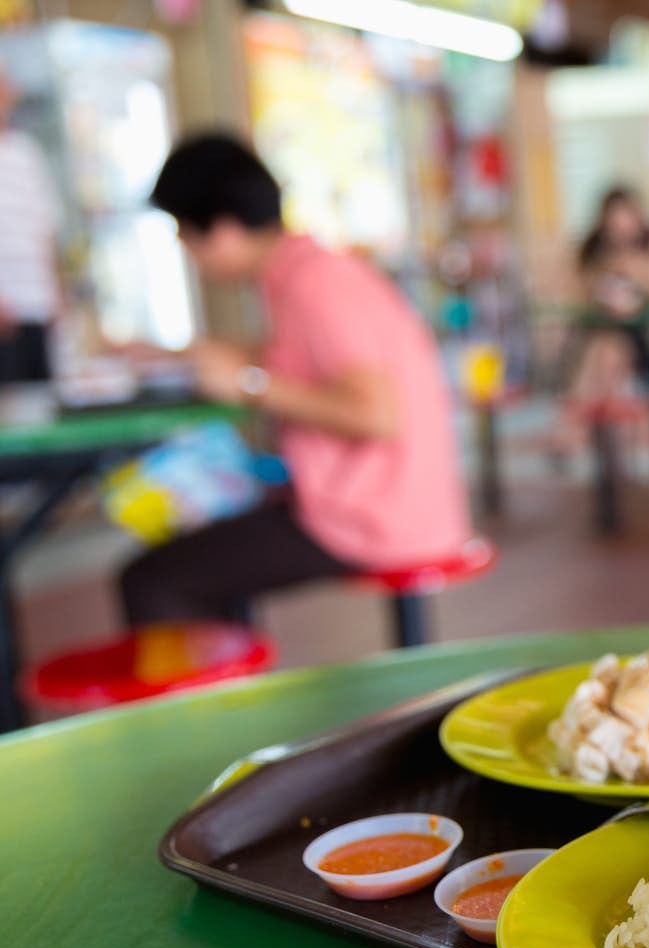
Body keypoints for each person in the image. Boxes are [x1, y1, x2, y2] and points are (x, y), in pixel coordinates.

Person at [118, 132, 471, 625]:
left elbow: (375, 415)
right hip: (397, 505)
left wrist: (249, 383)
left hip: (374, 518)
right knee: (205, 545)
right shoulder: (309, 273)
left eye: (186, 237)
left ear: (221, 228)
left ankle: (213, 701)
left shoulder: (315, 287)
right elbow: (294, 359)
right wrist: (169, 355)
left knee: (153, 578)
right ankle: (232, 691)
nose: (190, 256)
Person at [561, 187, 649, 431]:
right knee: (602, 348)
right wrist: (599, 279)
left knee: (604, 351)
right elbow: (578, 297)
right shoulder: (594, 253)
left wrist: (643, 271)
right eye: (613, 219)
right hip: (601, 333)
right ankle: (591, 425)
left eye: (625, 217)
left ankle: (571, 427)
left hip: (645, 338)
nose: (620, 225)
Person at [0, 68, 64, 385]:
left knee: (43, 403)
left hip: (38, 307)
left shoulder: (26, 152)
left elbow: (46, 229)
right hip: (6, 313)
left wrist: (58, 294)